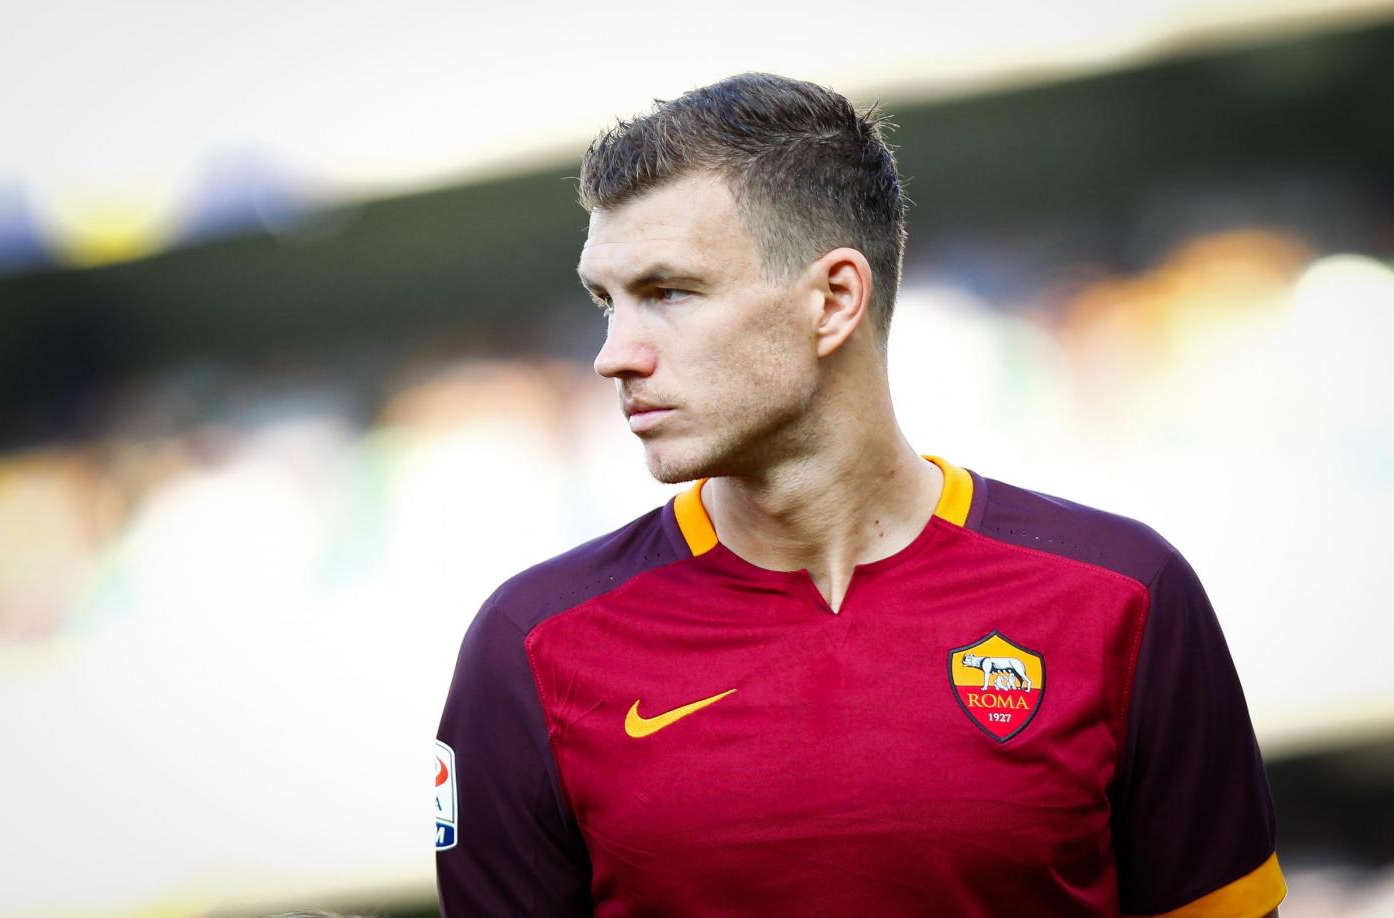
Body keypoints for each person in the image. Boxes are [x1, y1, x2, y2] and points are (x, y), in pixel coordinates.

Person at [434, 72, 1285, 916]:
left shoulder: (1124, 595)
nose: (613, 355)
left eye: (668, 293)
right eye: (605, 302)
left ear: (835, 300)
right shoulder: (530, 648)